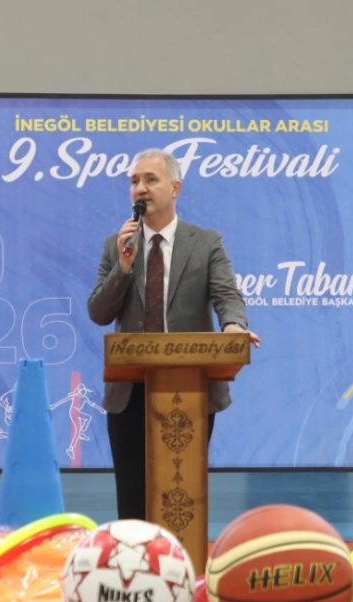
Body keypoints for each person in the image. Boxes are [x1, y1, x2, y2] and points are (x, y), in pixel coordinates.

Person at [88, 148, 261, 522]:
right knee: (132, 503)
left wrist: (233, 326)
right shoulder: (116, 246)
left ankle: (181, 560)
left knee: (182, 499)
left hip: (189, 390)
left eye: (150, 180)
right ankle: (136, 561)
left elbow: (227, 296)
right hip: (129, 393)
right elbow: (98, 313)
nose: (140, 188)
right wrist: (122, 267)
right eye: (134, 181)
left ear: (175, 187)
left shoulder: (206, 242)